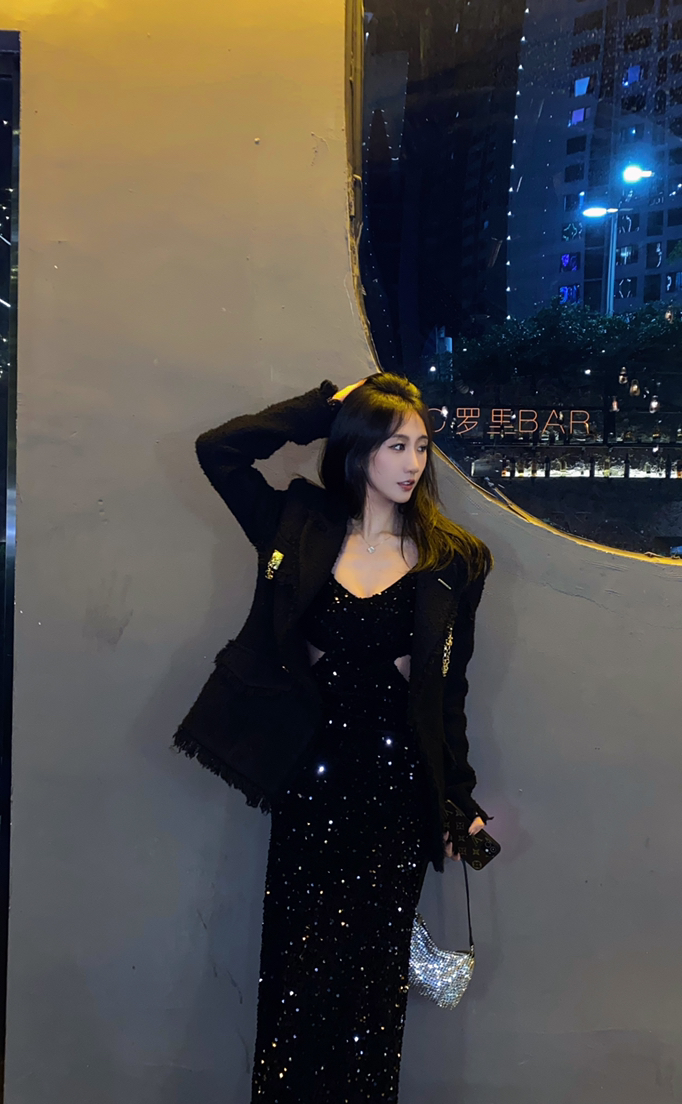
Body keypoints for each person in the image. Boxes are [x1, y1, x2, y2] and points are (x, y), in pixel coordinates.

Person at [174, 373, 493, 1103]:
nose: (413, 463)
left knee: (371, 999)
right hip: (310, 788)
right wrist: (322, 408)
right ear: (356, 448)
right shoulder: (299, 526)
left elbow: (448, 694)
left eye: (421, 446)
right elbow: (219, 451)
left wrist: (459, 798)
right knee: (295, 982)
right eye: (394, 445)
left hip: (396, 799)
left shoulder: (454, 560)